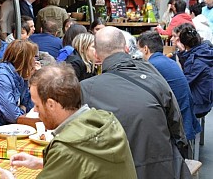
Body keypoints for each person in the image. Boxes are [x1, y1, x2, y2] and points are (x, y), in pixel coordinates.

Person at [80, 27, 191, 179]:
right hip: (162, 167)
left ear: (96, 56)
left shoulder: (86, 89)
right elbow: (175, 121)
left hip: (114, 171)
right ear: (126, 49)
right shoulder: (151, 71)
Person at [0, 64, 137, 179]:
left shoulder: (67, 147)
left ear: (51, 104)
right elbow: (89, 166)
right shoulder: (105, 121)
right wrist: (41, 163)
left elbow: (73, 157)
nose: (36, 111)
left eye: (37, 105)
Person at [137, 31, 201, 142]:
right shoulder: (167, 61)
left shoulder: (152, 65)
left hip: (177, 125)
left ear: (146, 49)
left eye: (139, 49)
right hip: (185, 117)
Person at [0, 40, 36, 128]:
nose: (35, 62)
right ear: (23, 60)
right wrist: (22, 110)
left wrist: (30, 80)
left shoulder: (20, 75)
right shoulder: (1, 76)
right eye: (33, 57)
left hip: (7, 127)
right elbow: (13, 116)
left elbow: (30, 107)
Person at [175, 24, 213, 118]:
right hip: (206, 99)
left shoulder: (196, 61)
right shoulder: (204, 51)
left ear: (185, 44)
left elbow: (185, 82)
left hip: (199, 105)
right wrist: (182, 52)